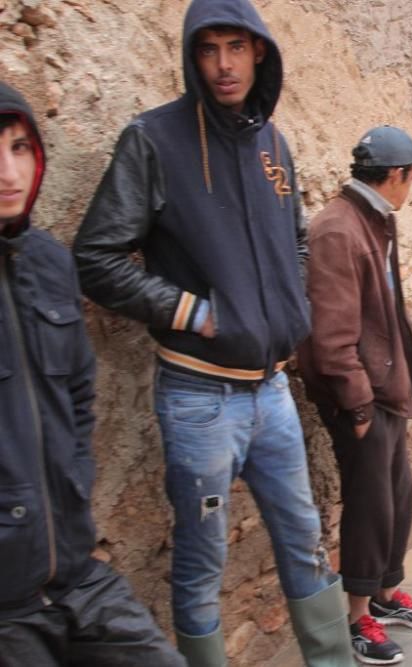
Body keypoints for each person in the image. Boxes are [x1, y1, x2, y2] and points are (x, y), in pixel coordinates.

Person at [71, 1, 352, 665]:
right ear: (192, 57)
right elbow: (96, 256)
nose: (224, 65)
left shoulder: (273, 143)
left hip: (273, 390)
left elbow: (293, 239)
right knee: (202, 560)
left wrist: (291, 308)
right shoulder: (153, 139)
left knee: (306, 540)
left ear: (260, 52)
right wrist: (193, 312)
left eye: (237, 47)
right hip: (199, 396)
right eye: (208, 49)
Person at [0, 81, 184, 666]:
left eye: (20, 148)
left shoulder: (51, 263)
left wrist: (75, 479)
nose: (8, 171)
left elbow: (79, 398)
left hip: (74, 572)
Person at [297, 126, 412, 666]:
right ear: (396, 176)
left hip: (386, 391)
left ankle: (384, 596)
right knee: (368, 506)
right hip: (363, 398)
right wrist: (358, 406)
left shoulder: (373, 218)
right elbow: (331, 335)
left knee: (396, 500)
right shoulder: (338, 229)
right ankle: (358, 618)